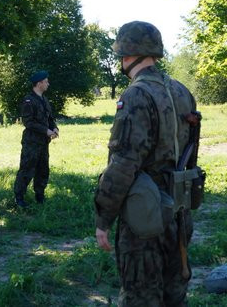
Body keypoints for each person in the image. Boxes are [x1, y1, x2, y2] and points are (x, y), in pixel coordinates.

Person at [94, 21, 198, 306]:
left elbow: (124, 163)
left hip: (145, 211)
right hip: (179, 207)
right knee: (175, 292)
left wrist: (104, 218)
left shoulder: (136, 94)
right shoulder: (181, 91)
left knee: (141, 294)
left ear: (127, 54)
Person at [13, 70, 58, 208]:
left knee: (43, 169)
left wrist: (55, 128)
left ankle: (40, 195)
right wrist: (46, 131)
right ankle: (19, 198)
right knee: (27, 169)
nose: (48, 84)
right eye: (46, 82)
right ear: (39, 84)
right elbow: (28, 122)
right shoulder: (28, 100)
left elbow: (49, 118)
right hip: (32, 142)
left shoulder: (44, 99)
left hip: (44, 142)